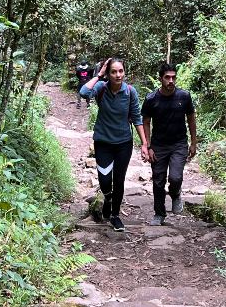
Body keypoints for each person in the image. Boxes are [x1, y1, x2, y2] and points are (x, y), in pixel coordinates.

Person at [79, 58, 151, 232]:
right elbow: (83, 92)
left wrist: (144, 144)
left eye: (120, 71)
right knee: (105, 181)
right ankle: (108, 199)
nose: (118, 75)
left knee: (119, 180)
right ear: (108, 74)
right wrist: (99, 75)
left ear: (124, 72)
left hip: (123, 144)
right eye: (113, 72)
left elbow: (136, 117)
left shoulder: (130, 92)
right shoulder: (101, 88)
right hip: (103, 142)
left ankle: (115, 215)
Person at [141, 62, 197, 226]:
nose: (171, 81)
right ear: (161, 79)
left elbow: (191, 118)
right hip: (158, 145)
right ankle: (159, 214)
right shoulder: (151, 99)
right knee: (158, 180)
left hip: (179, 144)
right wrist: (148, 146)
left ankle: (175, 193)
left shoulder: (184, 96)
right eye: (167, 77)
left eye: (173, 77)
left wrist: (193, 142)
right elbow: (146, 122)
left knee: (175, 177)